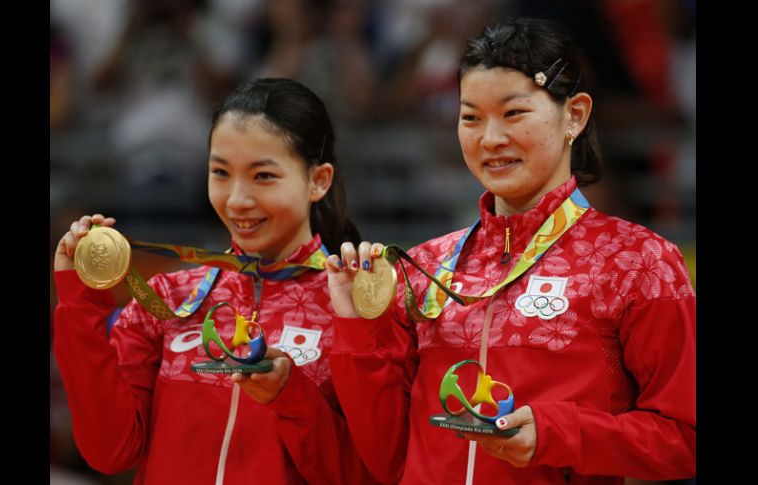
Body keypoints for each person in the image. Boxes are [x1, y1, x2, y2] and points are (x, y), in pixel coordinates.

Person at [326, 18, 695, 484]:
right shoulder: (424, 269)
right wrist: (358, 328)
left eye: (513, 113)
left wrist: (554, 433)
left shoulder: (638, 262)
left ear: (575, 115)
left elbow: (684, 437)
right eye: (470, 116)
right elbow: (389, 459)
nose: (490, 138)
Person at [52, 78, 378, 484]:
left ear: (318, 180)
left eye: (263, 176)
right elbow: (111, 450)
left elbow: (365, 474)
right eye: (221, 172)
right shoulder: (166, 301)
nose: (237, 199)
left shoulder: (354, 305)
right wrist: (80, 303)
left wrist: (289, 396)